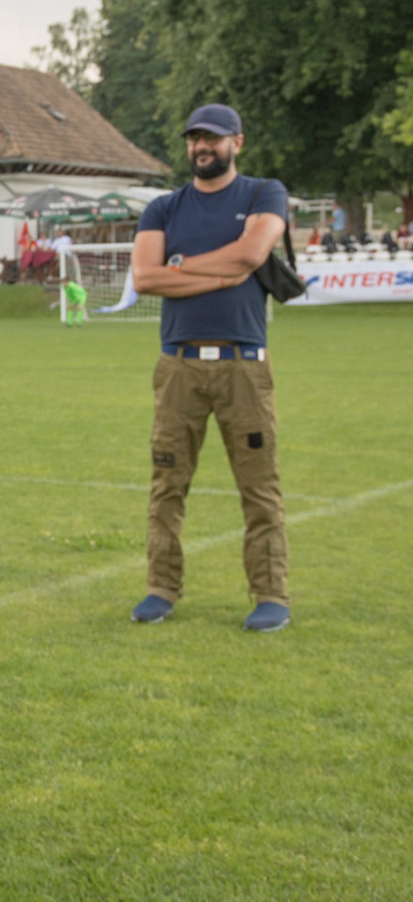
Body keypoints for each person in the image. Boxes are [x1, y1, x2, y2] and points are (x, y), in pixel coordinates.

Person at [128, 103, 291, 633]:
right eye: (195, 138)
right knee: (166, 484)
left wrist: (183, 267)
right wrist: (221, 275)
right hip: (178, 367)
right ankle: (161, 589)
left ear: (236, 143)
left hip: (244, 366)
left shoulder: (263, 194)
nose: (203, 147)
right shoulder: (163, 208)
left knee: (260, 487)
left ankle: (271, 595)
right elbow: (146, 279)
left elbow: (252, 254)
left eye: (214, 139)